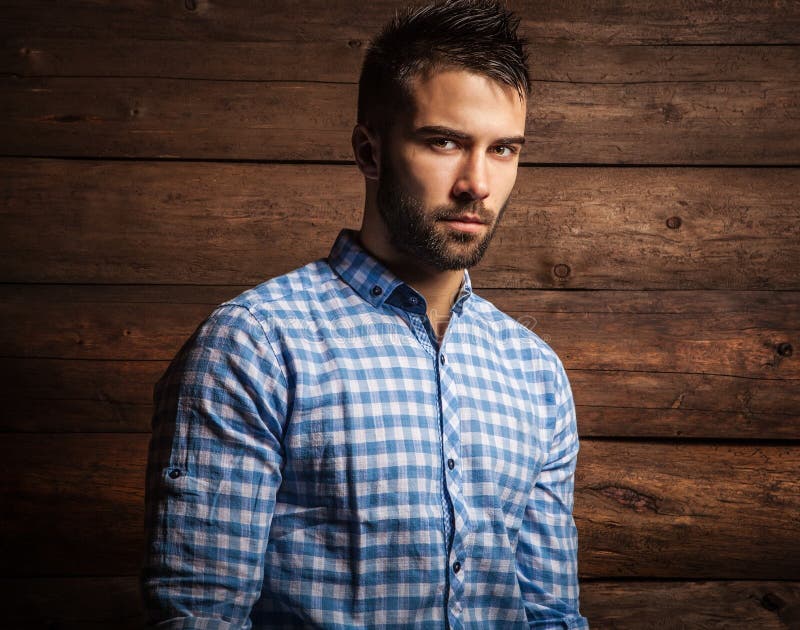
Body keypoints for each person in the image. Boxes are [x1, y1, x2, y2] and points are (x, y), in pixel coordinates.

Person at [140, 0, 588, 628]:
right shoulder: (257, 345)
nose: (477, 183)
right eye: (444, 142)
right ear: (369, 151)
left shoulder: (534, 372)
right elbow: (199, 617)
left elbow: (551, 614)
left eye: (503, 150)